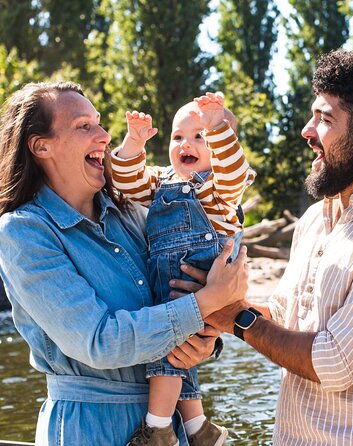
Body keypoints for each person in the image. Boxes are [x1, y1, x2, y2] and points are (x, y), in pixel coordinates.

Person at [198, 48, 353, 444]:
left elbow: (334, 362)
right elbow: (282, 322)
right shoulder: (315, 219)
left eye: (324, 119)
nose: (307, 130)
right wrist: (206, 312)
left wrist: (236, 319)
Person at [0, 82, 248, 445]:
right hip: (91, 428)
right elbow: (99, 342)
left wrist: (207, 340)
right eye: (84, 126)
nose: (103, 135)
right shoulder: (23, 232)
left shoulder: (135, 214)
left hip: (169, 427)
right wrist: (207, 301)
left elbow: (178, 295)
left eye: (99, 123)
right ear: (41, 146)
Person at [111, 91, 255, 445]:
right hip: (173, 279)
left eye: (199, 136)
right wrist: (134, 141)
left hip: (201, 283)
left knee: (168, 350)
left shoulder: (219, 187)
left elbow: (234, 169)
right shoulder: (163, 180)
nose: (185, 144)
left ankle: (158, 427)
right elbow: (125, 180)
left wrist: (218, 125)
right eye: (178, 136)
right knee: (180, 353)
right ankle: (198, 428)